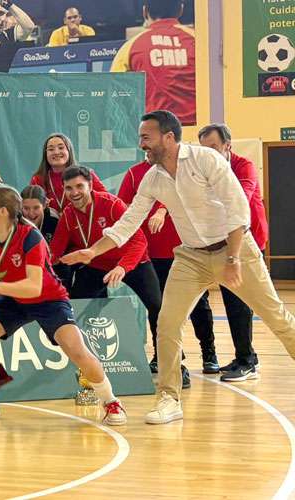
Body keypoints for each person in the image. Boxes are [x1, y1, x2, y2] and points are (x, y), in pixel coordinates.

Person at [61, 110, 295, 425]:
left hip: (234, 248)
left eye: (146, 137)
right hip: (191, 257)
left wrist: (234, 258)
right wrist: (93, 250)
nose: (141, 143)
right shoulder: (152, 177)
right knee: (167, 323)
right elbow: (129, 221)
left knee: (276, 317)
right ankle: (169, 399)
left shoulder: (206, 161)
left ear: (168, 137)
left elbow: (238, 207)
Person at [0, 184, 127, 426]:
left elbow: (33, 287)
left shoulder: (31, 237)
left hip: (49, 299)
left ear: (3, 211)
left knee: (77, 351)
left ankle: (111, 401)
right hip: (13, 300)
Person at [49, 168, 171, 384]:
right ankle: (80, 364)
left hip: (134, 261)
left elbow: (138, 240)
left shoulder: (111, 204)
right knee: (75, 306)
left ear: (90, 185)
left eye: (79, 186)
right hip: (97, 265)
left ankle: (169, 361)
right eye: (68, 188)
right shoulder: (68, 214)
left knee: (157, 307)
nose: (74, 192)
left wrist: (123, 267)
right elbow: (55, 252)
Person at [118, 159, 218, 376]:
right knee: (159, 308)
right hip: (152, 253)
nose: (148, 146)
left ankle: (209, 353)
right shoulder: (135, 174)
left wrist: (162, 210)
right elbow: (123, 208)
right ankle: (162, 355)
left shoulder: (184, 169)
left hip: (186, 248)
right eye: (144, 140)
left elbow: (187, 195)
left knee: (199, 304)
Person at [198, 123, 268, 381]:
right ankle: (245, 356)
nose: (210, 154)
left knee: (245, 302)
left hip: (250, 242)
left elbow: (241, 198)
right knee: (232, 301)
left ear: (228, 145)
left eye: (214, 147)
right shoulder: (206, 171)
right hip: (224, 242)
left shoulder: (244, 166)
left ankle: (247, 360)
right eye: (204, 149)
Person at [111, 0, 196, 125]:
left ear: (145, 11)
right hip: (199, 131)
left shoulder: (130, 47)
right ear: (181, 10)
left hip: (153, 134)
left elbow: (114, 93)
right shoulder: (197, 39)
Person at [30, 133, 107, 213]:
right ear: (45, 154)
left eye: (61, 148)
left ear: (69, 151)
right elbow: (31, 210)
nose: (56, 152)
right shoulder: (38, 179)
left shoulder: (85, 174)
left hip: (82, 222)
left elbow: (105, 201)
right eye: (51, 149)